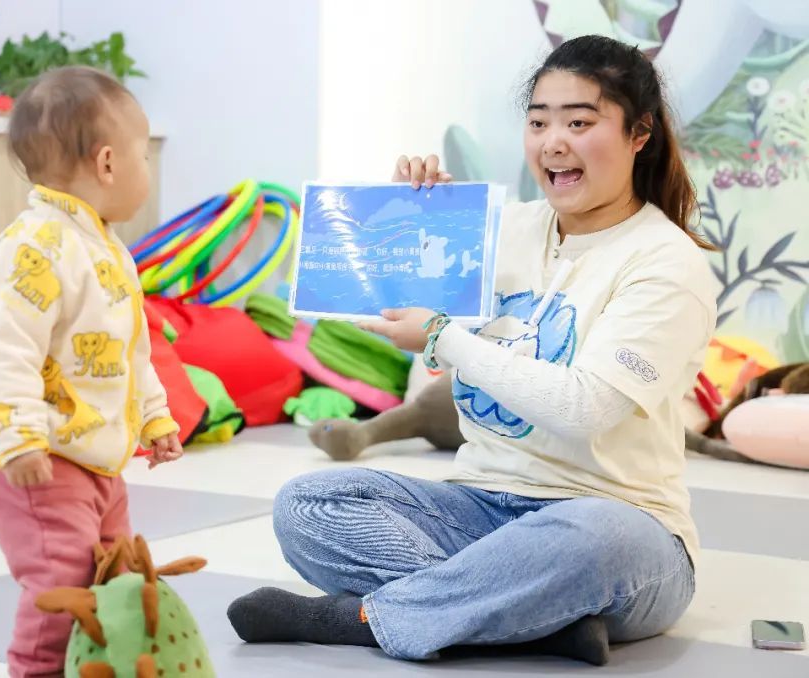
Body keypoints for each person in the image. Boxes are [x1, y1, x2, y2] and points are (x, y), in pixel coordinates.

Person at [228, 34, 717, 666]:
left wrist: (444, 334)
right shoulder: (503, 229)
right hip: (479, 505)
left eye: (578, 122)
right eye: (538, 122)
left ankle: (363, 619)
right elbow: (421, 338)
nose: (553, 141)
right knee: (308, 504)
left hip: (619, 524)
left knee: (597, 539)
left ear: (639, 134)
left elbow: (585, 409)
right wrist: (418, 225)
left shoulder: (667, 261)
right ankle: (531, 619)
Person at [0, 66, 184, 677]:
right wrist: (19, 435)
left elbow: (129, 349)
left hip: (93, 452)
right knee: (62, 576)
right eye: (144, 156)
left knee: (115, 570)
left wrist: (155, 416)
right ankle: (37, 669)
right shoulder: (37, 247)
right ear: (109, 163)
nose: (146, 169)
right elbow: (3, 350)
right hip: (41, 446)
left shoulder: (104, 247)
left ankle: (102, 664)